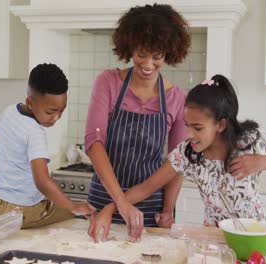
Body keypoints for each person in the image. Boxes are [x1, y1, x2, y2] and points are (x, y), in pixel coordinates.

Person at [89, 74, 266, 240]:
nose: (189, 135)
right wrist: (110, 209)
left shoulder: (251, 140)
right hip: (213, 238)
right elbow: (148, 186)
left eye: (197, 128)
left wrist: (265, 162)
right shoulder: (188, 153)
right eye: (187, 126)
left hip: (255, 237)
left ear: (220, 124)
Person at [85, 4, 191, 241]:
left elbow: (177, 161)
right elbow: (94, 143)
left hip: (149, 207)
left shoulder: (177, 99)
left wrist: (167, 210)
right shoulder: (108, 82)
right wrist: (120, 202)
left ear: (168, 53)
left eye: (157, 56)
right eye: (141, 54)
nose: (148, 64)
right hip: (104, 200)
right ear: (129, 47)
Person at [0, 63, 95, 228]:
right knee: (81, 212)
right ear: (30, 103)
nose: (56, 118)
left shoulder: (9, 111)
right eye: (50, 112)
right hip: (24, 212)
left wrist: (2, 175)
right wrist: (73, 206)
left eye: (61, 111)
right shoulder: (34, 132)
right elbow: (42, 182)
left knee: (67, 205)